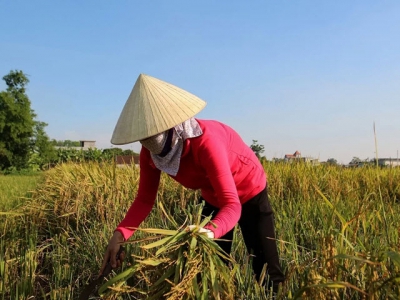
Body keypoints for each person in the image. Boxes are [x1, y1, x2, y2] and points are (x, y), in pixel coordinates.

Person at [100, 74, 285, 289]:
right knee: (211, 268)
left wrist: (209, 231)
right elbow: (144, 200)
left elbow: (232, 205)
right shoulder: (150, 152)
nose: (154, 151)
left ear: (174, 128)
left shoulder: (206, 143)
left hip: (249, 189)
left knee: (266, 269)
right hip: (213, 195)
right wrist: (120, 233)